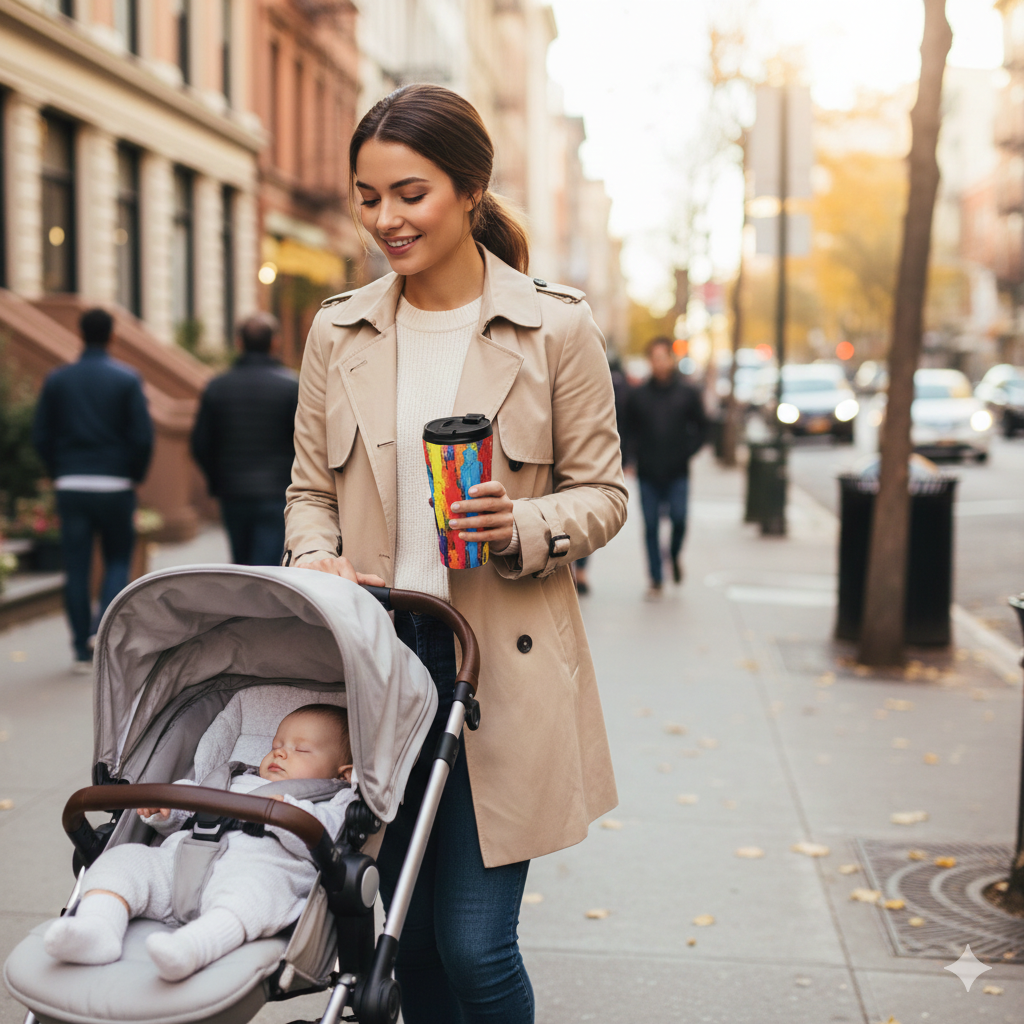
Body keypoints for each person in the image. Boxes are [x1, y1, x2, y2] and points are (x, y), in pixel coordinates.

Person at [284, 83, 626, 1024]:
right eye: (368, 196)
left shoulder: (555, 326)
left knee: (474, 948)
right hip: (377, 667)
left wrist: (523, 526)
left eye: (410, 193)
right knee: (395, 940)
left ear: (471, 190)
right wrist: (314, 554)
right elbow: (310, 489)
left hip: (494, 670)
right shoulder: (336, 328)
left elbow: (604, 494)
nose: (385, 219)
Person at [42, 705, 355, 982]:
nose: (280, 753)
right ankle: (98, 929)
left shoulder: (333, 799)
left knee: (256, 896)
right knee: (122, 860)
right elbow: (191, 803)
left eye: (301, 750)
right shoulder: (233, 777)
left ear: (343, 775)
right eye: (276, 744)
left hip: (252, 874)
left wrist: (290, 811)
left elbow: (324, 839)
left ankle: (192, 947)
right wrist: (166, 812)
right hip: (179, 867)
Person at [31, 308, 153, 671]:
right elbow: (142, 437)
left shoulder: (58, 380)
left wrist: (58, 472)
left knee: (77, 565)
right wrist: (134, 475)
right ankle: (102, 631)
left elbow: (41, 435)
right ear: (113, 336)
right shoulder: (127, 379)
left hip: (72, 483)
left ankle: (79, 648)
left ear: (79, 334)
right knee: (118, 559)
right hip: (115, 483)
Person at [191, 313, 299, 566]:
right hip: (277, 491)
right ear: (276, 342)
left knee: (241, 564)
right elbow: (305, 442)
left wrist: (217, 479)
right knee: (267, 568)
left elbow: (200, 443)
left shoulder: (217, 386)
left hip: (233, 492)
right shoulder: (291, 386)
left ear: (239, 342)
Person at [625, 335, 708, 599]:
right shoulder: (639, 395)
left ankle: (673, 554)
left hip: (677, 472)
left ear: (671, 359)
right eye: (654, 358)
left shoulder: (688, 393)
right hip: (648, 472)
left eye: (663, 357)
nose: (659, 363)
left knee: (679, 519)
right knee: (650, 526)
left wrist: (687, 452)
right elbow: (627, 430)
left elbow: (703, 428)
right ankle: (656, 577)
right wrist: (629, 458)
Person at [572, 355, 628, 595]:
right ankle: (579, 571)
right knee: (580, 513)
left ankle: (580, 571)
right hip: (591, 453)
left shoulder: (590, 384)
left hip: (589, 455)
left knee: (582, 511)